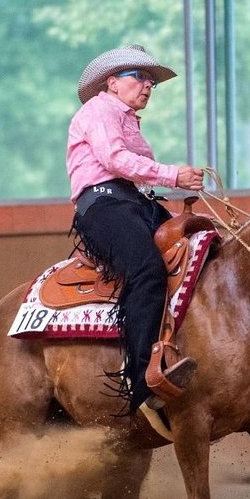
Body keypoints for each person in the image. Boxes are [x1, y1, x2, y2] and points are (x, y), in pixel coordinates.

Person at [67, 44, 205, 414]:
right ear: (112, 83)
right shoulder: (98, 110)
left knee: (204, 246)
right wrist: (174, 174)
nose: (148, 85)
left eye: (151, 81)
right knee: (146, 270)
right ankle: (145, 380)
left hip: (133, 204)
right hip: (104, 205)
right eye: (140, 77)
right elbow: (114, 159)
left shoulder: (130, 122)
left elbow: (135, 174)